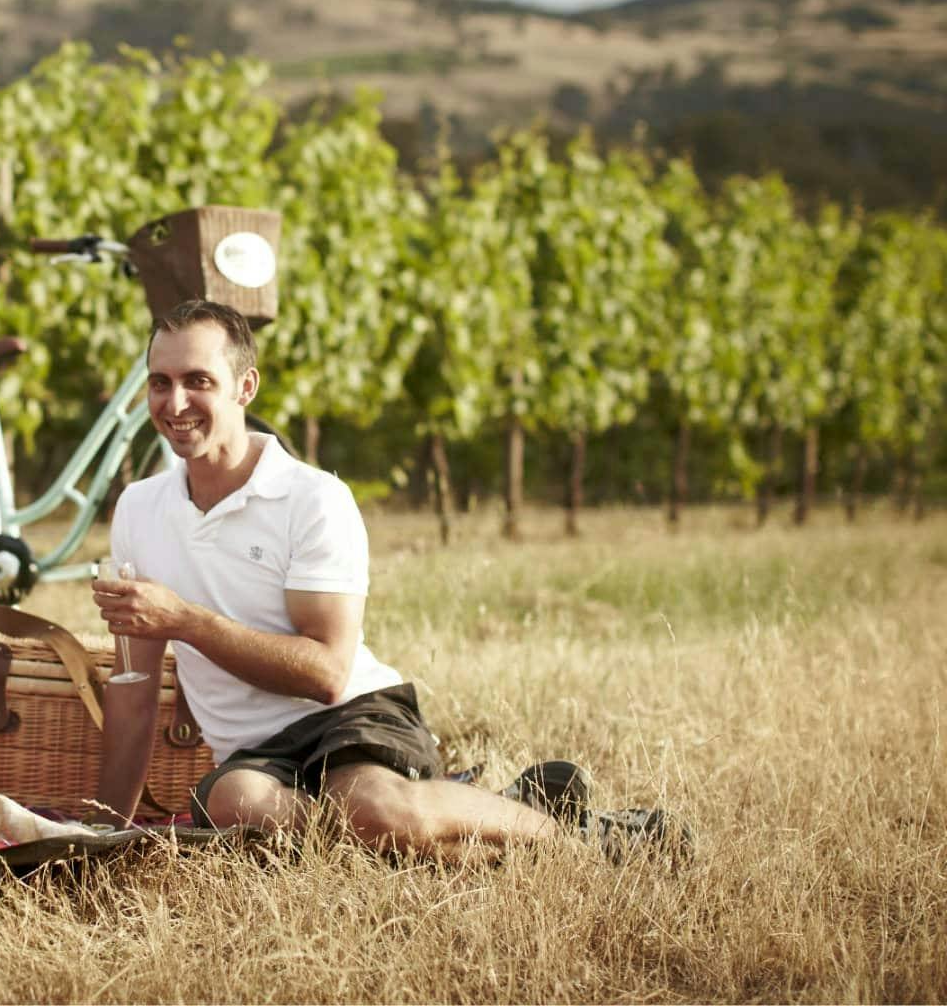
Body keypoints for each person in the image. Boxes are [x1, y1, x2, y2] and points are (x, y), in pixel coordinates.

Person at [92, 299, 687, 863]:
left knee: (371, 808)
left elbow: (326, 674)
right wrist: (105, 832)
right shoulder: (140, 510)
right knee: (233, 805)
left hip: (351, 716)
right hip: (253, 759)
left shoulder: (313, 498)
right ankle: (478, 819)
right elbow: (133, 684)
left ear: (245, 387)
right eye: (160, 382)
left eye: (198, 380)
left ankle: (576, 837)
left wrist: (187, 621)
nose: (175, 403)